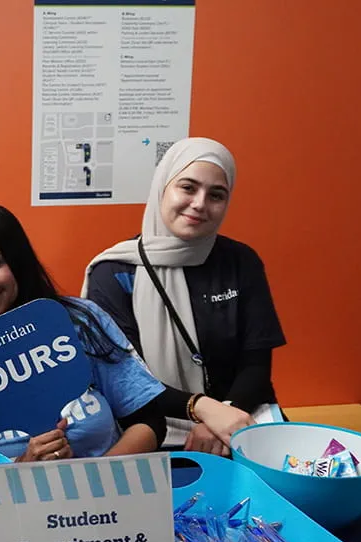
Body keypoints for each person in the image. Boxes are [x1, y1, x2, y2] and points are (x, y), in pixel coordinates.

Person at [0, 204, 166, 463]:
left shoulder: (81, 321)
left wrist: (93, 478)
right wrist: (25, 467)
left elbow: (150, 421)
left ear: (19, 263)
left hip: (113, 495)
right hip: (9, 504)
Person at [82, 137, 286, 456]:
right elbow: (126, 379)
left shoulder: (241, 262)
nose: (200, 203)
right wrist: (204, 410)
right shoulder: (112, 273)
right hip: (152, 423)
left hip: (239, 415)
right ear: (163, 187)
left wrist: (224, 418)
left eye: (216, 194)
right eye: (188, 188)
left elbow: (256, 363)